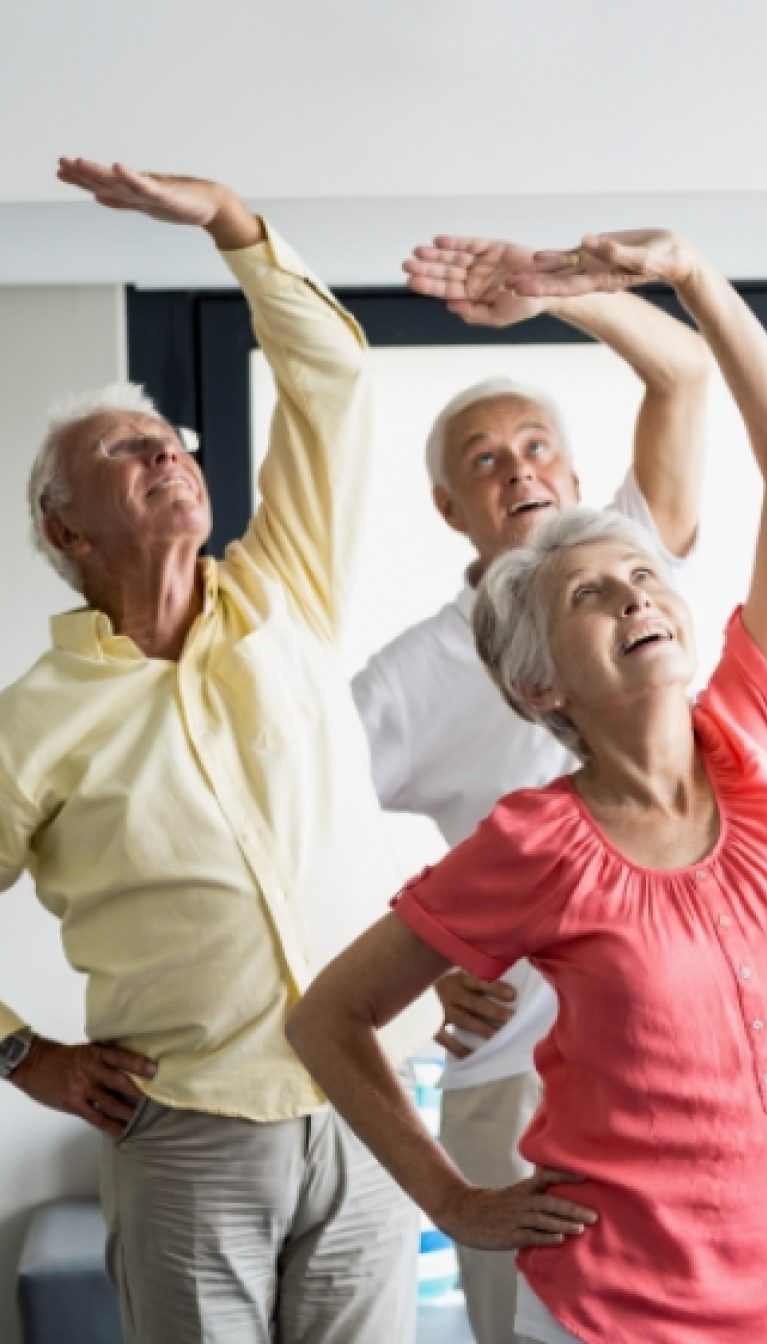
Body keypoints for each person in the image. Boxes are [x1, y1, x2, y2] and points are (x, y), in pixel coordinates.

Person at [288, 228, 767, 1344]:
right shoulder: (533, 842)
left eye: (644, 575)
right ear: (539, 686)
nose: (637, 592)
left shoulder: (761, 733)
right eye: (593, 593)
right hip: (624, 1315)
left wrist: (690, 275)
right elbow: (329, 1017)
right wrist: (449, 1200)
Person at [0, 159, 424, 1343]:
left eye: (169, 437)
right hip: (186, 1126)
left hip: (371, 1101)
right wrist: (19, 1052)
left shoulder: (287, 591)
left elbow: (332, 376)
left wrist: (233, 225)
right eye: (126, 451)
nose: (167, 453)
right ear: (64, 529)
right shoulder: (32, 719)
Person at [354, 233, 710, 1344]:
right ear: (447, 506)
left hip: (676, 1060)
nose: (518, 472)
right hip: (515, 1089)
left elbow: (685, 373)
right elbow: (285, 835)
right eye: (484, 461)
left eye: (535, 446)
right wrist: (431, 954)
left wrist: (565, 293)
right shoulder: (410, 675)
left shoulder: (630, 559)